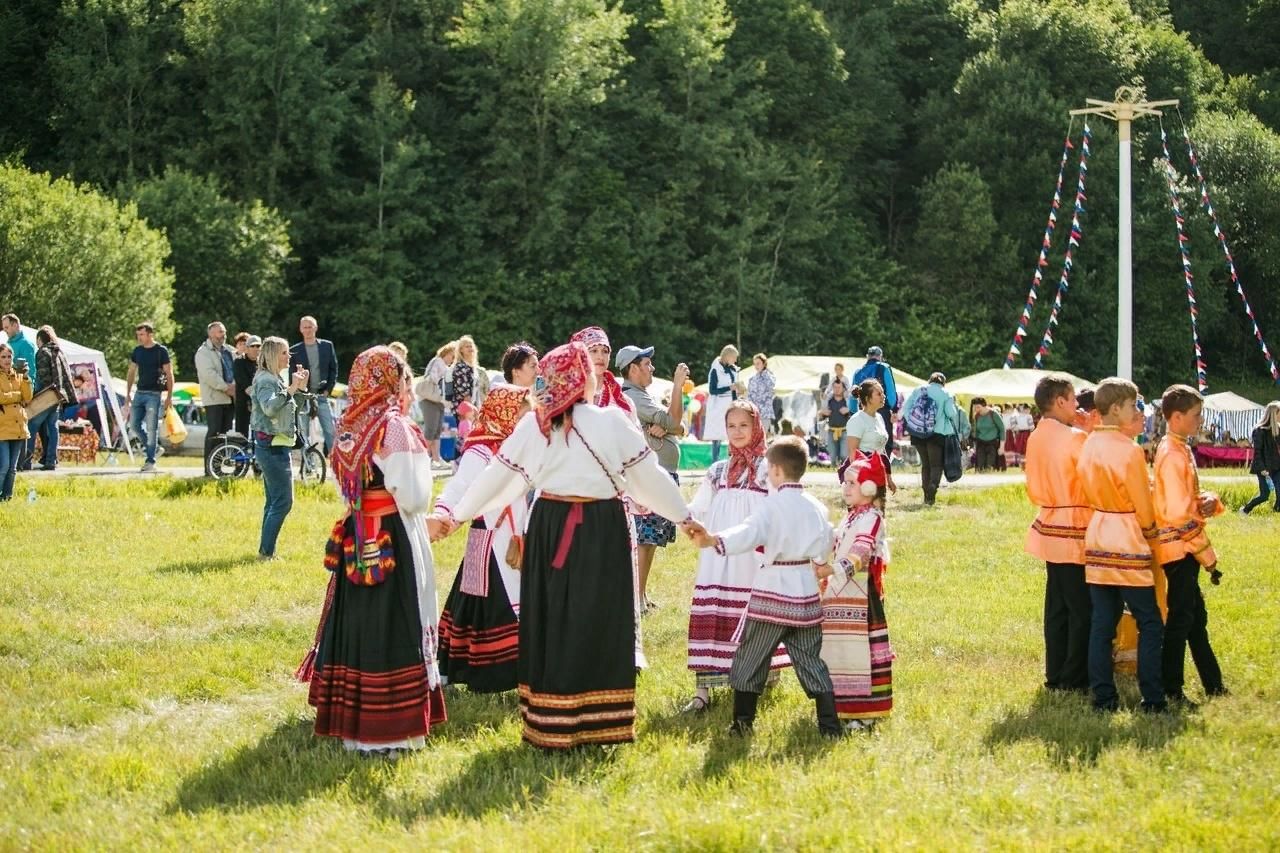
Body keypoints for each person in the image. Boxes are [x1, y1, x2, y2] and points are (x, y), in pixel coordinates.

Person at [430, 341, 692, 749]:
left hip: (551, 527)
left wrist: (454, 515)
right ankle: (601, 724)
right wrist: (685, 517)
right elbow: (650, 479)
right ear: (586, 377)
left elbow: (498, 478)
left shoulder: (535, 425)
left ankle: (550, 721)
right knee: (599, 617)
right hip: (602, 527)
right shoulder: (612, 422)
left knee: (553, 618)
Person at [304, 346, 446, 755]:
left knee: (362, 620)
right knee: (397, 617)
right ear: (389, 378)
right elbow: (415, 495)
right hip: (393, 533)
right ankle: (393, 729)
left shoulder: (348, 425)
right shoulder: (394, 426)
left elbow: (345, 487)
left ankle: (354, 725)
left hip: (358, 530)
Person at [686, 436, 841, 738]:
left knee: (751, 658)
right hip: (805, 593)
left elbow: (747, 533)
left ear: (777, 471)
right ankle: (829, 724)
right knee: (811, 660)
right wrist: (821, 562)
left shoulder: (771, 507)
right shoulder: (817, 507)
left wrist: (713, 540)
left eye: (769, 469)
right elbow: (825, 546)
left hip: (772, 593)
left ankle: (742, 724)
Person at [682, 401, 787, 713]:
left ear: (756, 427)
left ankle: (761, 674)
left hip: (753, 556)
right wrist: (673, 512)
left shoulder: (770, 470)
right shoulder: (717, 471)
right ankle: (703, 689)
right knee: (713, 608)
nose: (738, 432)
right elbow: (697, 507)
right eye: (731, 426)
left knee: (755, 609)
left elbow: (784, 507)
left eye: (744, 425)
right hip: (719, 557)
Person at [432, 384, 533, 693]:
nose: (527, 424)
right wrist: (443, 513)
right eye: (522, 416)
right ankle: (487, 672)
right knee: (485, 603)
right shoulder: (481, 449)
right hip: (490, 538)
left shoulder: (518, 448)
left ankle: (514, 670)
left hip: (512, 535)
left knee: (494, 600)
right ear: (506, 414)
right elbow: (460, 486)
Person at [1078, 377, 1165, 713]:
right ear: (1115, 409)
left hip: (1098, 531)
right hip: (1127, 534)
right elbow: (1143, 505)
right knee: (1150, 620)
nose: (1135, 412)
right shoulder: (1128, 450)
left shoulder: (1088, 444)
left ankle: (1103, 696)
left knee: (1102, 621)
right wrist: (1152, 533)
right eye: (1132, 406)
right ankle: (1153, 698)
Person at [1153, 385, 1227, 706]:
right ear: (1177, 417)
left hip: (1182, 548)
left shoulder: (1179, 448)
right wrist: (1207, 556)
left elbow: (1184, 499)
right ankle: (1171, 689)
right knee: (1182, 620)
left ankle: (1214, 684)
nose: (1201, 421)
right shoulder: (1171, 453)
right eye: (1196, 416)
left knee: (1195, 619)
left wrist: (1210, 500)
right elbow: (1178, 514)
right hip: (1179, 549)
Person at [1024, 374, 1092, 694]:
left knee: (1057, 606)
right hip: (1074, 524)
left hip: (1049, 524)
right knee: (1081, 608)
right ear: (1061, 401)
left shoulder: (1036, 435)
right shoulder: (1075, 437)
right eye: (1074, 398)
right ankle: (1073, 677)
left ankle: (1056, 673)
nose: (1078, 404)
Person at [820, 451, 893, 731]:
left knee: (862, 652)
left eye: (852, 483)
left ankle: (865, 711)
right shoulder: (851, 517)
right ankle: (843, 705)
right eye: (845, 483)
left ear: (869, 488)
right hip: (843, 594)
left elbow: (861, 553)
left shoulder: (872, 518)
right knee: (841, 650)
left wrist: (831, 569)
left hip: (863, 598)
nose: (845, 488)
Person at [618, 343, 689, 612]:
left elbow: (677, 425)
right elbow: (674, 420)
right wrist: (678, 386)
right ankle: (637, 598)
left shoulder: (642, 395)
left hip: (659, 472)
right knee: (646, 538)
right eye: (647, 364)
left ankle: (642, 595)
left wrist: (670, 426)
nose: (652, 368)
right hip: (651, 475)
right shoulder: (634, 396)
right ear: (633, 369)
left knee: (651, 538)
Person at [251, 337, 308, 560]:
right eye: (284, 353)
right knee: (283, 502)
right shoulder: (266, 380)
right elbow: (270, 408)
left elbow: (292, 409)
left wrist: (300, 389)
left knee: (273, 501)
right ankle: (266, 553)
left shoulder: (276, 378)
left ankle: (266, 551)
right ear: (273, 355)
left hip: (276, 444)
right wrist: (292, 387)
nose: (289, 357)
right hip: (271, 446)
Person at [903, 372, 960, 506]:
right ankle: (933, 489)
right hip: (937, 433)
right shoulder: (945, 393)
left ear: (930, 380)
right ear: (943, 382)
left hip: (918, 433)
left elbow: (906, 408)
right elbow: (951, 413)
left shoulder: (918, 390)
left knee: (925, 465)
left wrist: (914, 423)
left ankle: (925, 495)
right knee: (936, 465)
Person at [125, 322, 174, 473]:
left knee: (152, 429)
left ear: (150, 334)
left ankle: (150, 461)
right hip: (139, 393)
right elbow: (131, 372)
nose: (139, 337)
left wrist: (169, 397)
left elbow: (169, 373)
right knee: (133, 425)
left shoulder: (161, 351)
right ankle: (154, 448)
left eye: (142, 334)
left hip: (154, 394)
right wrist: (127, 393)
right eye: (138, 335)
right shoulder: (137, 351)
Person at [28, 326, 77, 471]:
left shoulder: (42, 352)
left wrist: (32, 395)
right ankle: (51, 460)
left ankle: (26, 460)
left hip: (46, 396)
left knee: (31, 427)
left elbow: (43, 377)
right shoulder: (59, 351)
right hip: (58, 396)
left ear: (39, 339)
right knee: (53, 428)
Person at [289, 316, 339, 455]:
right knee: (304, 431)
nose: (308, 330)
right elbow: (291, 374)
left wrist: (328, 390)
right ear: (300, 329)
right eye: (305, 327)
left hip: (321, 395)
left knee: (330, 430)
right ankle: (308, 466)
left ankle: (336, 463)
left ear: (316, 328)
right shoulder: (295, 350)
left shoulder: (327, 346)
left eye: (310, 326)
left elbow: (333, 369)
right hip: (303, 396)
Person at [194, 321, 237, 469]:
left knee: (225, 434)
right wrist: (227, 388)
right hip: (214, 400)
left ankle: (219, 467)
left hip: (230, 399)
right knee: (214, 433)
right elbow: (209, 375)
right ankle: (209, 468)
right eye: (220, 332)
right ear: (210, 334)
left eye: (224, 332)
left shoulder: (230, 351)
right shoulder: (203, 353)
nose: (223, 335)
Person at [844, 379, 897, 494]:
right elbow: (853, 453)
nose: (883, 396)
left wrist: (889, 478)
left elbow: (881, 450)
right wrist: (856, 483)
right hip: (863, 475)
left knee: (878, 510)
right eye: (879, 394)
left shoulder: (880, 418)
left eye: (883, 393)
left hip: (878, 473)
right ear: (868, 399)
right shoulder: (857, 420)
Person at [569, 326, 633, 414]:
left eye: (605, 351)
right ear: (580, 356)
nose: (601, 357)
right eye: (594, 351)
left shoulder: (623, 399)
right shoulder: (568, 397)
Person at [0, 342, 33, 499]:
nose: (7, 360)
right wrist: (16, 395)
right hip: (2, 427)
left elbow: (27, 397)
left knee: (13, 468)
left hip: (18, 426)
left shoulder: (18, 375)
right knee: (3, 466)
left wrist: (26, 377)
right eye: (3, 357)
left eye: (9, 356)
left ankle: (7, 497)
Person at [415, 340, 457, 465]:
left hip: (438, 400)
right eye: (452, 356)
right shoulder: (437, 362)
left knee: (437, 430)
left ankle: (436, 458)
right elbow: (433, 377)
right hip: (429, 399)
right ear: (447, 353)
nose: (452, 359)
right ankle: (423, 456)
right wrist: (445, 379)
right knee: (431, 429)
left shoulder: (445, 366)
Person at [1241, 401, 1280, 514]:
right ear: (1274, 414)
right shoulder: (1259, 431)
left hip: (1277, 466)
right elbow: (1257, 452)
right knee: (1264, 495)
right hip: (1264, 467)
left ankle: (1276, 513)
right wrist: (1262, 469)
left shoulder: (1278, 430)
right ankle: (1245, 510)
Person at [853, 346, 899, 437]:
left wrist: (854, 413)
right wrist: (894, 410)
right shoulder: (884, 368)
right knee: (884, 443)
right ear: (880, 356)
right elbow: (891, 392)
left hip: (863, 412)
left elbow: (853, 396)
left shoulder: (858, 372)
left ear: (868, 356)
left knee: (865, 443)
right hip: (882, 411)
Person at [705, 345, 740, 463]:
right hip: (719, 405)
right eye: (734, 357)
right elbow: (712, 390)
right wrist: (729, 388)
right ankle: (715, 462)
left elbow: (734, 387)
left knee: (733, 433)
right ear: (728, 356)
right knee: (717, 436)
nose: (735, 360)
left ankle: (733, 461)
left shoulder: (733, 369)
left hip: (731, 405)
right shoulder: (715, 369)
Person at [449, 335, 490, 410]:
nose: (470, 348)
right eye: (467, 347)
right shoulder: (460, 367)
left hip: (476, 407)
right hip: (465, 409)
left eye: (471, 346)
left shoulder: (474, 368)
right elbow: (464, 393)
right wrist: (472, 410)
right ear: (461, 350)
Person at [819, 380, 852, 468]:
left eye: (839, 387)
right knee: (832, 457)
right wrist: (823, 413)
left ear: (843, 389)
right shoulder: (828, 401)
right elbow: (821, 417)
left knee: (844, 455)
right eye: (835, 387)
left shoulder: (847, 402)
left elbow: (855, 415)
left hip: (845, 431)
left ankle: (844, 472)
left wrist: (848, 411)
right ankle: (833, 476)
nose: (836, 389)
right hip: (831, 431)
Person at [232, 335, 261, 436]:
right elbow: (245, 385)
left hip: (260, 407)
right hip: (244, 405)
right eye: (252, 346)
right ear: (247, 348)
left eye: (258, 346)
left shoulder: (262, 364)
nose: (255, 349)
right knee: (242, 438)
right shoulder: (239, 362)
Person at [970, 397, 1006, 472]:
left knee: (990, 466)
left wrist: (1002, 447)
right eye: (975, 407)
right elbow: (976, 431)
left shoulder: (993, 414)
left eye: (978, 407)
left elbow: (1002, 429)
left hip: (993, 443)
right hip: (981, 443)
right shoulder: (977, 416)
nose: (976, 409)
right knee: (980, 467)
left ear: (984, 406)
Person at [1, 314, 37, 385]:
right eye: (4, 328)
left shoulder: (26, 345)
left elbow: (31, 373)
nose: (4, 330)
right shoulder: (7, 344)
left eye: (6, 327)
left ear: (15, 325)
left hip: (20, 390)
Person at [747, 353, 776, 435]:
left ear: (764, 363)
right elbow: (749, 396)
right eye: (755, 364)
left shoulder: (770, 376)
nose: (756, 366)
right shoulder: (752, 379)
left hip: (765, 413)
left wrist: (764, 373)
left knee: (762, 436)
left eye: (758, 363)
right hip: (754, 413)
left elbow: (771, 385)